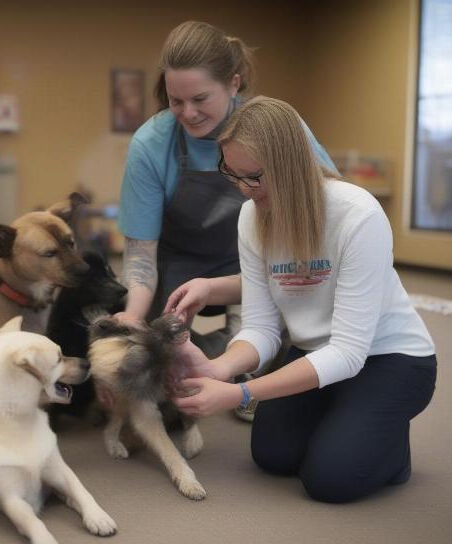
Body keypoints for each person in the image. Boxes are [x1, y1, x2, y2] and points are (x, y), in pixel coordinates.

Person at [165, 96, 437, 504]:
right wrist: (219, 368)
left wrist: (242, 393)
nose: (243, 188)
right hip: (317, 352)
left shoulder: (357, 214)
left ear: (289, 165)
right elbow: (260, 328)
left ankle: (393, 451)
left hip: (390, 359)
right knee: (273, 456)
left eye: (253, 176)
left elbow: (348, 353)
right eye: (233, 174)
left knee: (330, 479)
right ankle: (348, 418)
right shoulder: (252, 216)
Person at [116, 21, 336, 368]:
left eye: (200, 98)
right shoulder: (151, 144)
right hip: (177, 262)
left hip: (256, 256)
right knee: (159, 355)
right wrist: (132, 317)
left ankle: (244, 361)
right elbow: (141, 255)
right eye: (176, 101)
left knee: (254, 358)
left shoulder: (276, 129)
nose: (188, 113)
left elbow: (331, 202)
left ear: (234, 83)